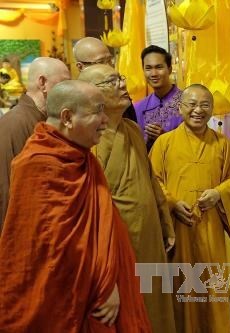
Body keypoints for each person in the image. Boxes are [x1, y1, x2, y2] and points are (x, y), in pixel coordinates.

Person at [0, 80, 151, 331]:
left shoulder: (80, 155)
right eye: (97, 111)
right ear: (67, 117)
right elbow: (56, 248)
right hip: (75, 295)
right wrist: (104, 286)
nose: (104, 120)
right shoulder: (38, 164)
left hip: (101, 286)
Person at [79, 64, 176, 333]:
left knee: (157, 306)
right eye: (112, 81)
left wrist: (164, 222)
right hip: (121, 246)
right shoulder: (89, 141)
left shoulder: (132, 128)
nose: (124, 85)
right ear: (91, 94)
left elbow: (150, 180)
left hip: (150, 238)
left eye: (120, 78)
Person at [149, 84, 230, 333]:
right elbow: (153, 181)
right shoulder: (163, 143)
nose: (198, 110)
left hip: (210, 226)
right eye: (191, 104)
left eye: (205, 105)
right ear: (180, 108)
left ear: (212, 110)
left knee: (213, 288)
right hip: (177, 229)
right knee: (182, 288)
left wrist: (218, 193)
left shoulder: (222, 143)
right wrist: (171, 202)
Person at [0, 57, 70, 229]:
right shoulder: (16, 123)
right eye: (64, 83)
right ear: (43, 83)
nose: (68, 91)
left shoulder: (46, 119)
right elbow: (6, 189)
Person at [73, 36, 137, 122]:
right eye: (101, 62)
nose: (109, 66)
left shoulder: (120, 91)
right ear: (80, 67)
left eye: (110, 60)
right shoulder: (76, 98)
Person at [134, 45, 183, 150]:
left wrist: (164, 137)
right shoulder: (138, 108)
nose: (153, 73)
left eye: (159, 67)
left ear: (169, 69)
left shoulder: (187, 103)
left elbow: (194, 143)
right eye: (148, 68)